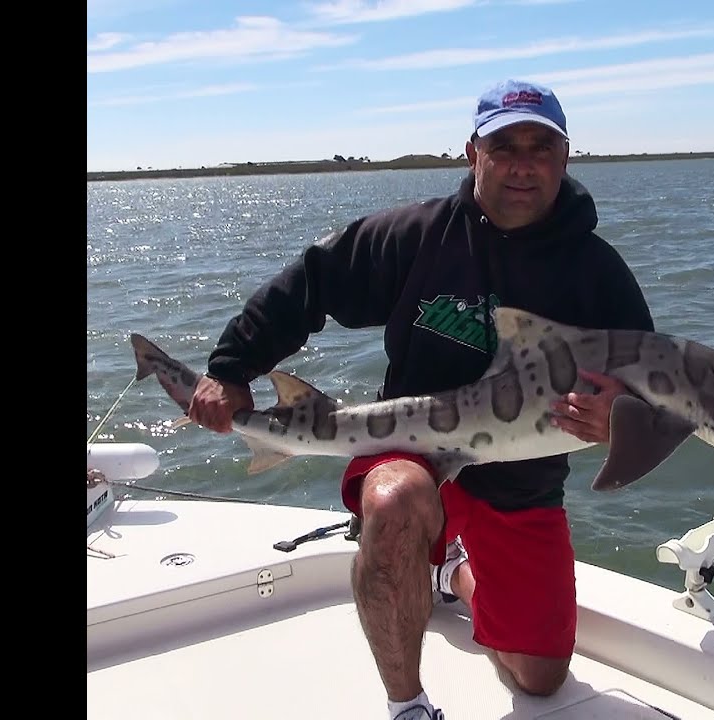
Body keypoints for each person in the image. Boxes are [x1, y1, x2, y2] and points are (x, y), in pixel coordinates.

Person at [186, 78, 654, 720]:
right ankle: (407, 705)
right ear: (472, 152)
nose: (522, 164)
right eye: (504, 145)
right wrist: (232, 367)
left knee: (541, 679)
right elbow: (312, 282)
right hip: (407, 448)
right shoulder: (417, 236)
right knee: (396, 498)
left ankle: (448, 574)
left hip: (523, 475)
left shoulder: (598, 272)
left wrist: (619, 420)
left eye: (540, 148)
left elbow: (647, 383)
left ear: (565, 157)